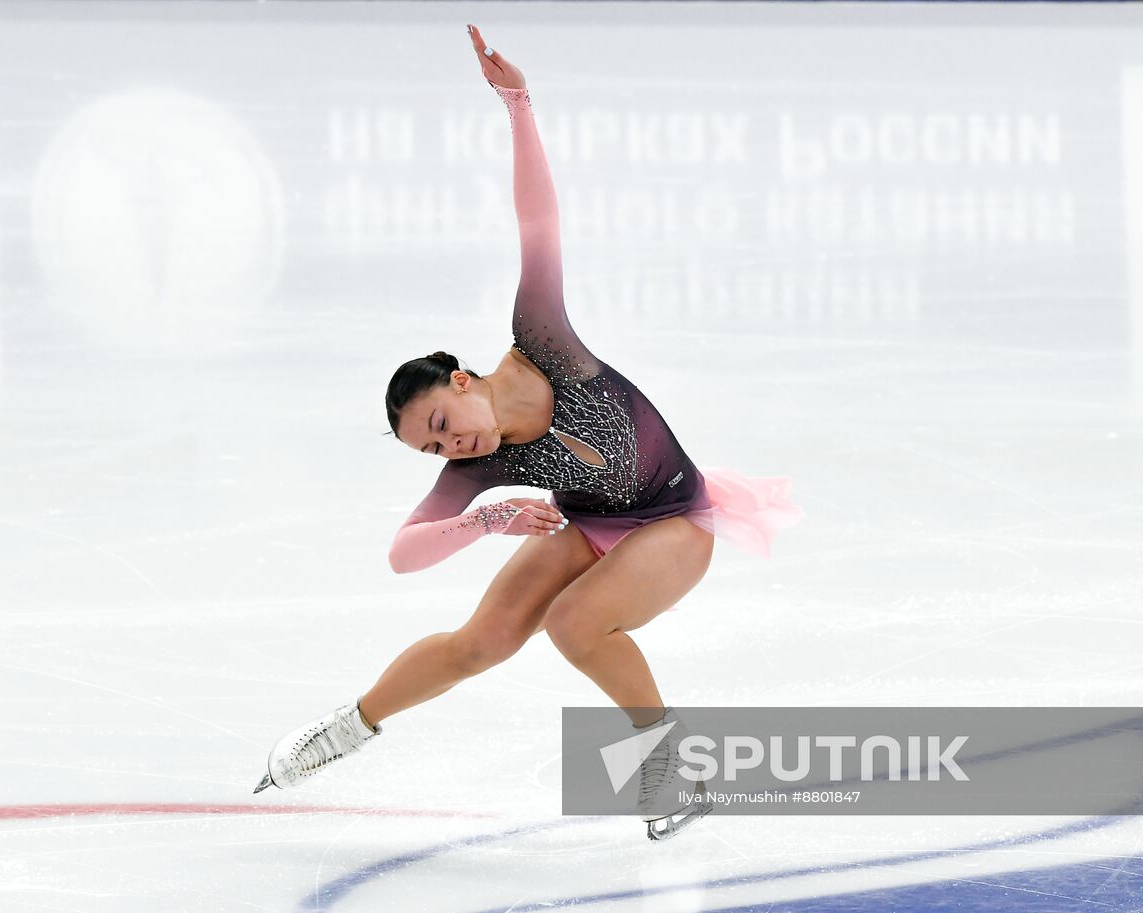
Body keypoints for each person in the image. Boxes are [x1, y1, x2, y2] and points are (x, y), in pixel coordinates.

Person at [253, 24, 806, 842]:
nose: (450, 447)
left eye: (440, 423)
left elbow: (537, 219)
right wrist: (480, 519)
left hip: (677, 517)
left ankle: (675, 774)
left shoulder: (541, 337)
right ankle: (344, 728)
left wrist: (517, 104)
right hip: (596, 522)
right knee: (483, 641)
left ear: (462, 379)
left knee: (575, 624)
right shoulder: (483, 471)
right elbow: (403, 553)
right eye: (432, 449)